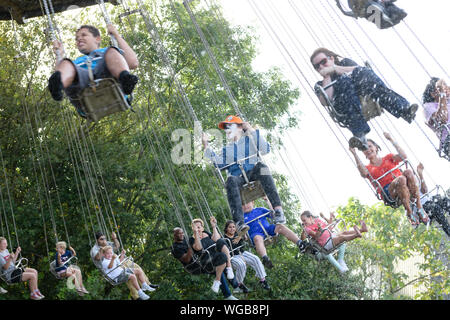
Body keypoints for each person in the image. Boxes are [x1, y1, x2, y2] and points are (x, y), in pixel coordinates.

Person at [311, 47, 418, 151]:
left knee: (365, 77)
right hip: (346, 107)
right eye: (317, 66)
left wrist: (335, 69)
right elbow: (326, 100)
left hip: (364, 95)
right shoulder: (320, 85)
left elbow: (361, 71)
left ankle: (404, 109)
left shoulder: (345, 63)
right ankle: (360, 135)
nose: (321, 66)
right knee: (344, 81)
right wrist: (327, 77)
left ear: (331, 58)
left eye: (323, 62)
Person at [202, 115, 286, 237]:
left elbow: (265, 149)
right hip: (238, 178)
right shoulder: (226, 149)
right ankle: (239, 222)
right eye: (226, 128)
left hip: (253, 173)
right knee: (230, 180)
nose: (227, 130)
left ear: (240, 127)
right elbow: (219, 164)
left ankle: (278, 209)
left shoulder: (250, 139)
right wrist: (206, 145)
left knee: (262, 167)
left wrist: (250, 129)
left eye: (230, 127)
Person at [48, 24, 139, 117]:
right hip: (82, 88)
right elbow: (62, 69)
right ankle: (58, 84)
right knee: (66, 64)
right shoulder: (75, 63)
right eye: (76, 38)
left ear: (97, 39)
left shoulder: (106, 52)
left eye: (84, 35)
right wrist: (59, 55)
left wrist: (116, 35)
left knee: (112, 51)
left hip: (108, 77)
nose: (79, 39)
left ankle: (125, 78)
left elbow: (133, 63)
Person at [350, 132, 430, 225]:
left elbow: (404, 156)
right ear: (363, 152)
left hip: (402, 183)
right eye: (365, 148)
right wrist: (354, 154)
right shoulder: (368, 168)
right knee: (401, 179)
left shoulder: (388, 158)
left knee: (408, 172)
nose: (368, 149)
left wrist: (391, 139)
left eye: (370, 146)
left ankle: (419, 206)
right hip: (389, 192)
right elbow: (363, 173)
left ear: (376, 147)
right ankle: (409, 212)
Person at [171, 227, 238, 300]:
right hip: (193, 267)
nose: (181, 235)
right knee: (217, 268)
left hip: (200, 260)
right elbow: (187, 260)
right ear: (174, 235)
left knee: (221, 264)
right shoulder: (175, 248)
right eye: (178, 233)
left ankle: (236, 286)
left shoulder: (186, 239)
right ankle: (227, 295)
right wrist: (191, 247)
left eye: (182, 233)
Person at [90, 231, 158, 300]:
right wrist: (102, 249)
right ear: (97, 240)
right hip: (111, 270)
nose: (104, 241)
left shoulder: (107, 244)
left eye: (104, 238)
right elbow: (97, 258)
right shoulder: (95, 250)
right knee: (130, 277)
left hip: (117, 264)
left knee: (137, 268)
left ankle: (146, 284)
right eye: (101, 239)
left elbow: (117, 246)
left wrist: (114, 238)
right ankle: (136, 296)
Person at [243, 199, 303, 269]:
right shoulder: (242, 218)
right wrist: (244, 236)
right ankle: (265, 258)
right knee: (257, 239)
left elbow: (273, 214)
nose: (246, 206)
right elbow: (241, 230)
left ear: (253, 202)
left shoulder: (260, 210)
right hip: (256, 233)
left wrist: (267, 201)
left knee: (280, 227)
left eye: (247, 203)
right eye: (243, 205)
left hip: (268, 229)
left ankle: (299, 242)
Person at [301, 211, 368, 273]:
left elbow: (329, 227)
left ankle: (362, 230)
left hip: (331, 236)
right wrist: (319, 229)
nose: (304, 222)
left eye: (304, 220)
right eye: (302, 221)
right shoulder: (307, 228)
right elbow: (316, 236)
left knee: (344, 232)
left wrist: (331, 217)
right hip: (326, 242)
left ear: (310, 217)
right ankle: (356, 235)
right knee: (342, 238)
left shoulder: (317, 220)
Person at [189, 217, 240, 295]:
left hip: (217, 255)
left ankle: (228, 268)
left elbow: (216, 239)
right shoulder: (192, 239)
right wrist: (196, 235)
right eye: (195, 227)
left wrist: (213, 226)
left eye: (199, 227)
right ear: (192, 228)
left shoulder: (206, 233)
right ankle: (219, 281)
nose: (197, 229)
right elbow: (198, 248)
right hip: (207, 259)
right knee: (221, 261)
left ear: (202, 228)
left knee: (220, 242)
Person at [223, 220, 271, 291]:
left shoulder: (237, 234)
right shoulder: (224, 238)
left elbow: (245, 236)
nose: (232, 229)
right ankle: (239, 283)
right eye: (230, 227)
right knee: (241, 265)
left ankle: (262, 280)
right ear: (226, 228)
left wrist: (241, 235)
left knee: (255, 259)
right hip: (233, 256)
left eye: (233, 227)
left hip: (242, 253)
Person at [416, 163, 450, 236]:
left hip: (430, 201)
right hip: (423, 209)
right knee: (435, 208)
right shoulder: (406, 191)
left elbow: (425, 190)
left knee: (445, 201)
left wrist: (420, 175)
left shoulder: (415, 181)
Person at [422, 78, 450, 159]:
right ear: (433, 94)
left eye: (446, 86)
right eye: (442, 88)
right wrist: (442, 95)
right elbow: (442, 119)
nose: (445, 89)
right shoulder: (428, 107)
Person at [335, 0, 407, 29]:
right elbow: (346, 13)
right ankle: (386, 15)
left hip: (369, 11)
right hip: (367, 10)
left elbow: (346, 13)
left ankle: (389, 15)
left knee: (385, 4)